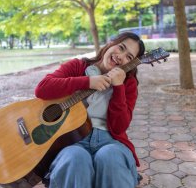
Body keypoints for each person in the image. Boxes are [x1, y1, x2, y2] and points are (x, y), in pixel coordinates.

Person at [34, 32, 145, 188]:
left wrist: (118, 87)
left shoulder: (128, 83)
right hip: (71, 140)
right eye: (121, 48)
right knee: (74, 158)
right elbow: (42, 89)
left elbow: (120, 127)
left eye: (129, 57)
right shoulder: (77, 67)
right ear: (110, 43)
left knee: (110, 156)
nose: (120, 56)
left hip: (110, 141)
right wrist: (87, 82)